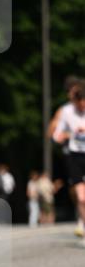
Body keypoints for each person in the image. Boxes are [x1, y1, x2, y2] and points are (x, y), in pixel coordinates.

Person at [47, 75, 83, 236]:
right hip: (72, 153)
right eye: (70, 92)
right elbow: (52, 132)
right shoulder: (64, 111)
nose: (72, 94)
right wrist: (63, 134)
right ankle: (81, 218)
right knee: (77, 192)